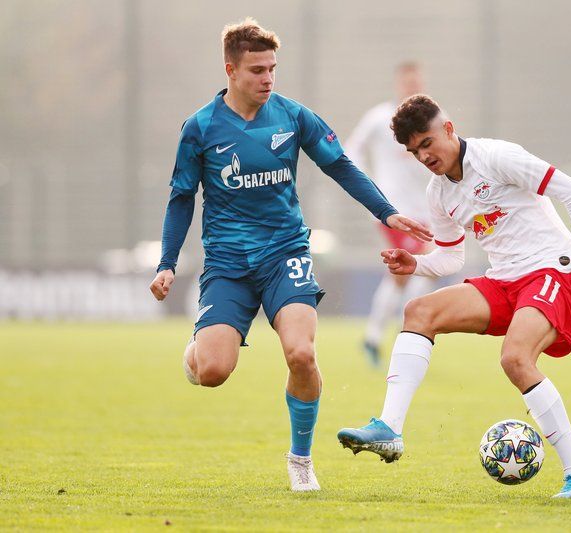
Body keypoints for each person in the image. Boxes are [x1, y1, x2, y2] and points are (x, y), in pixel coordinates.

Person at [148, 18, 431, 492]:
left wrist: (387, 212)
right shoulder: (199, 128)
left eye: (273, 70)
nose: (267, 79)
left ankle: (300, 460)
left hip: (285, 254)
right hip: (227, 265)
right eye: (257, 70)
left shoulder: (293, 115)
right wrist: (167, 263)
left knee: (301, 353)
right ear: (230, 70)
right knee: (213, 372)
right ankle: (197, 354)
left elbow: (340, 165)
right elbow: (180, 199)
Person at [337, 95, 571, 499]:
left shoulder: (498, 157)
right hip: (505, 281)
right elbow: (451, 257)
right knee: (418, 310)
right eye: (414, 152)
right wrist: (415, 264)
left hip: (554, 269)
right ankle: (390, 428)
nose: (423, 156)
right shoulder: (439, 193)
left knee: (515, 358)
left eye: (427, 143)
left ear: (448, 128)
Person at [345, 63, 434, 366]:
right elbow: (351, 149)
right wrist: (369, 186)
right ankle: (389, 335)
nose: (411, 86)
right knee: (406, 271)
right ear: (398, 84)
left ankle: (383, 335)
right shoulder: (380, 118)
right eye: (407, 82)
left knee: (425, 270)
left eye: (416, 81)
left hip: (425, 210)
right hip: (393, 210)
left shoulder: (434, 117)